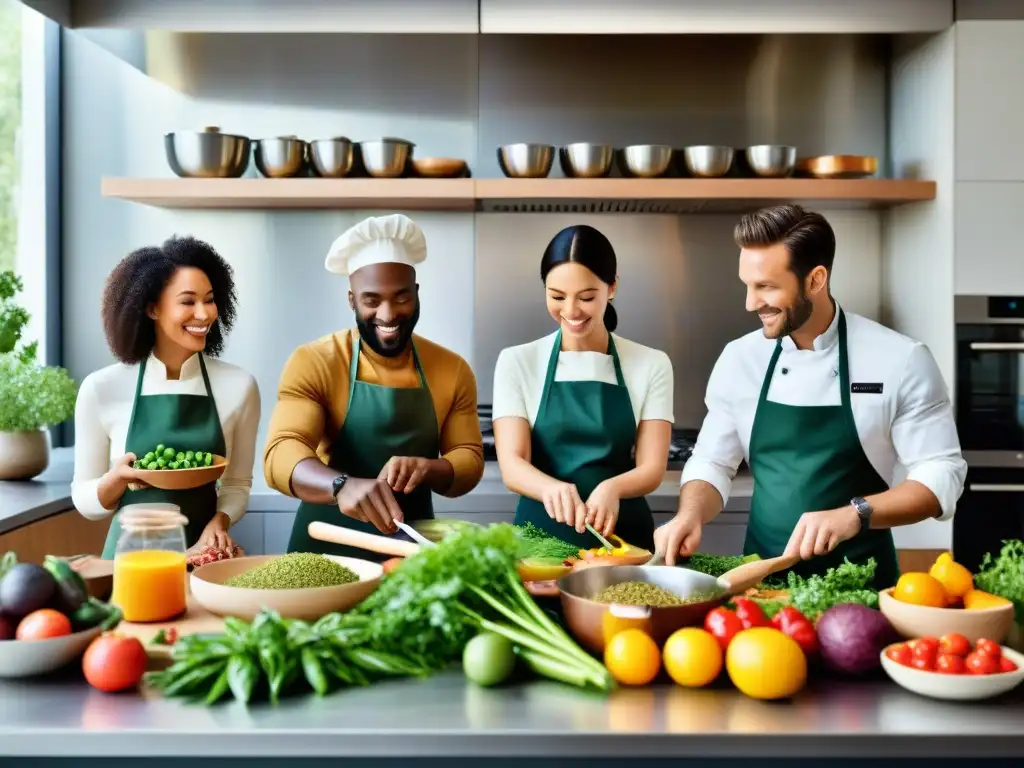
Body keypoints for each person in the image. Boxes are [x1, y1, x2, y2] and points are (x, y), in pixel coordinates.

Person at [656, 204, 967, 589]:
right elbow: (714, 462)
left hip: (864, 588)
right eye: (747, 285)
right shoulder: (741, 359)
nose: (750, 303)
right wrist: (690, 514)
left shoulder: (900, 359)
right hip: (761, 585)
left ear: (816, 279)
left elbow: (941, 474)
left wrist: (857, 512)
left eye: (766, 286)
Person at [264, 214, 484, 561]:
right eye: (371, 300)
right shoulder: (316, 361)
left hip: (410, 553)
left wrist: (428, 468)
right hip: (324, 551)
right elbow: (280, 453)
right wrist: (340, 486)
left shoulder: (451, 369)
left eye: (401, 298)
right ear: (352, 300)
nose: (388, 314)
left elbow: (469, 459)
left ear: (416, 293)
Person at [71, 236, 261, 559]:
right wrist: (115, 480)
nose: (204, 314)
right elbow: (84, 499)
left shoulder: (239, 386)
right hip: (128, 563)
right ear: (152, 308)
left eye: (210, 299)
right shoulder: (101, 388)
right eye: (188, 302)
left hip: (204, 556)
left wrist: (221, 520)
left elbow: (237, 485)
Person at [492, 224, 674, 552]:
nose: (571, 311)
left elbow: (652, 468)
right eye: (557, 296)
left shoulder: (651, 363)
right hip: (540, 541)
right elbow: (512, 463)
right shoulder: (517, 362)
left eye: (587, 297)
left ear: (612, 287)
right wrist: (551, 488)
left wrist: (612, 488)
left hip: (624, 540)